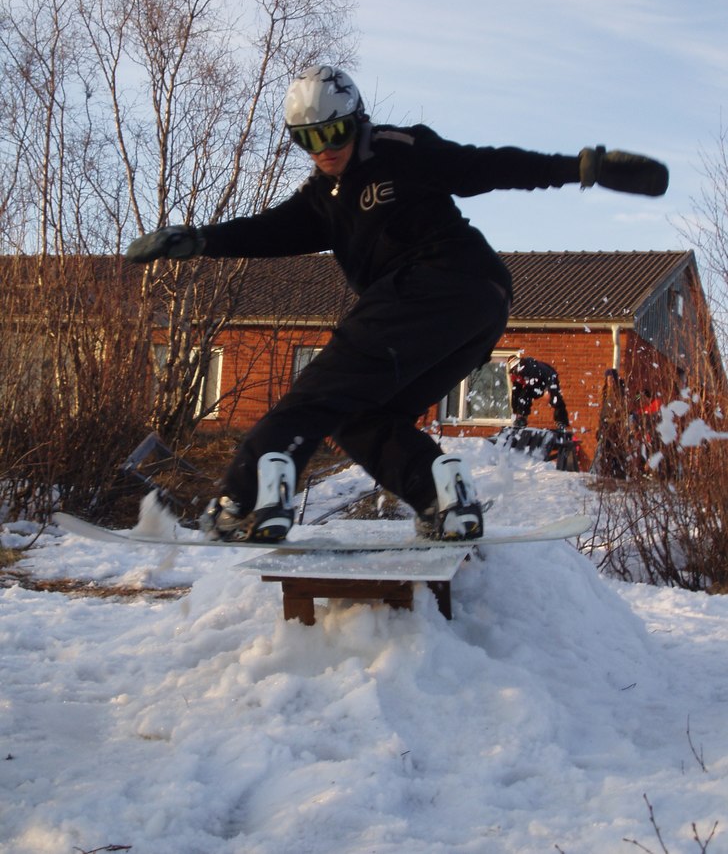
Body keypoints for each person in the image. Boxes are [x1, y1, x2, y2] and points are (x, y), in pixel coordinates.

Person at [125, 64, 668, 543]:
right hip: (467, 312)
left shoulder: (399, 150)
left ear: (356, 119)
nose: (325, 150)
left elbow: (488, 165)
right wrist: (200, 239)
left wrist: (581, 168)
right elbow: (268, 231)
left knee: (318, 390)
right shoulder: (321, 198)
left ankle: (244, 500)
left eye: (334, 132)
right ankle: (442, 496)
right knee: (361, 415)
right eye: (307, 140)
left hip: (446, 279)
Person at [508, 355, 570, 429]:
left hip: (549, 378)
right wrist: (515, 410)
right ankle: (521, 418)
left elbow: (536, 382)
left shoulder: (530, 366)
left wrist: (546, 390)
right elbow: (516, 393)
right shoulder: (516, 375)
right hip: (535, 383)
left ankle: (562, 421)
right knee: (524, 396)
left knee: (555, 398)